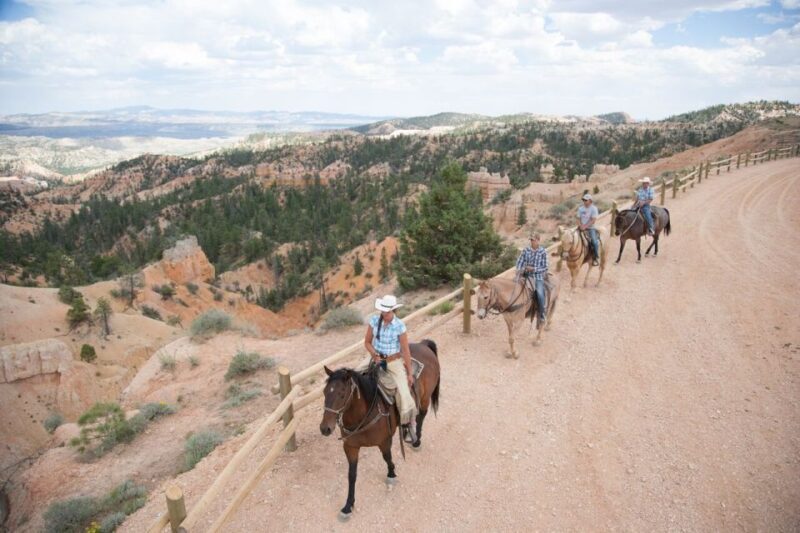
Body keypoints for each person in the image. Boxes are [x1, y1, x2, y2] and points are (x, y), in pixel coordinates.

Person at [362, 294, 417, 443]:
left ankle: (409, 424)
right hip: (375, 358)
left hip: (393, 361)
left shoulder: (399, 326)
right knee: (354, 376)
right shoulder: (374, 321)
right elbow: (367, 342)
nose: (383, 313)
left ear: (393, 310)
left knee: (403, 392)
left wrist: (409, 373)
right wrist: (374, 354)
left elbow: (405, 350)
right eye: (382, 310)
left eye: (386, 311)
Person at [515, 233, 548, 323]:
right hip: (525, 275)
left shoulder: (543, 252)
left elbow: (545, 267)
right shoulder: (526, 250)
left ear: (538, 240)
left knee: (540, 294)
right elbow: (519, 261)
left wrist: (534, 269)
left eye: (533, 240)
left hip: (537, 276)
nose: (532, 242)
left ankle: (542, 314)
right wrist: (519, 269)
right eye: (531, 240)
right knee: (514, 287)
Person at [577, 193, 600, 266]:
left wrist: (585, 226)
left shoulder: (594, 209)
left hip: (590, 228)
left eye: (585, 200)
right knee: (572, 238)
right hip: (581, 227)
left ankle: (595, 257)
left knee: (594, 241)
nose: (584, 201)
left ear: (590, 201)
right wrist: (580, 225)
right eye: (583, 200)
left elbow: (593, 220)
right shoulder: (580, 209)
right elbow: (578, 218)